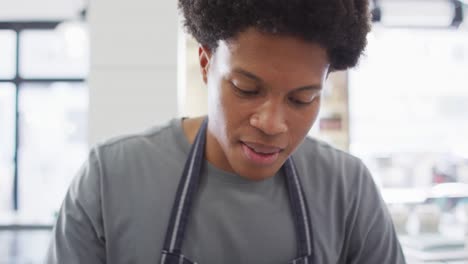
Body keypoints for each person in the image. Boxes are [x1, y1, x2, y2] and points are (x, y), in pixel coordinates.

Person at [47, 0, 406, 263]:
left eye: (301, 99)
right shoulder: (112, 177)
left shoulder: (348, 188)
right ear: (206, 64)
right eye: (246, 89)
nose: (271, 123)